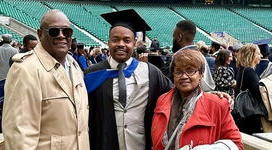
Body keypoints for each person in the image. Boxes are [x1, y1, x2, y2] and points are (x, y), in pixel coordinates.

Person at [84, 9, 172, 150]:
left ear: (135, 43)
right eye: (115, 40)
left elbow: (176, 94)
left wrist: (214, 96)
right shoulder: (92, 74)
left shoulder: (150, 73)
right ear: (108, 42)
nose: (121, 44)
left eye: (126, 40)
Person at [2, 9, 89, 150]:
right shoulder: (25, 70)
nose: (61, 36)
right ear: (40, 34)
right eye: (54, 31)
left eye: (66, 32)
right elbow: (19, 137)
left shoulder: (73, 64)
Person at [151, 49, 243, 150]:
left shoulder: (217, 105)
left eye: (190, 71)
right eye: (178, 71)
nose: (184, 76)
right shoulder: (162, 100)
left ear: (201, 74)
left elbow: (236, 145)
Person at [171, 20, 216, 92]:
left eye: (190, 71)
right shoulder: (201, 56)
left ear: (179, 37)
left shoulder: (176, 58)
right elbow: (209, 87)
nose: (184, 76)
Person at [234, 43, 264, 134]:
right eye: (258, 54)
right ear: (251, 55)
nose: (261, 56)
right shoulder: (249, 71)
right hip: (250, 116)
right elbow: (259, 94)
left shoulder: (242, 69)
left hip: (243, 115)